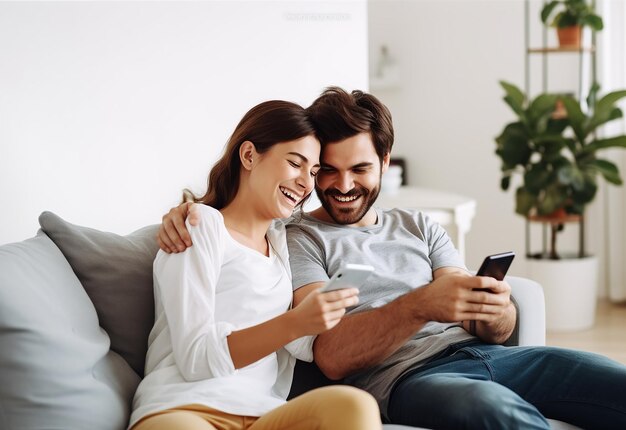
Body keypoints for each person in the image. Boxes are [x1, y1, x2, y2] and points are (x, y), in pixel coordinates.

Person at [157, 88, 626, 430]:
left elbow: (496, 330)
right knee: (491, 411)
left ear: (386, 162)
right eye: (327, 171)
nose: (341, 186)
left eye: (359, 169)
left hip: (485, 354)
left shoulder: (420, 226)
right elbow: (331, 353)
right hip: (407, 378)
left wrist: (496, 307)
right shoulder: (297, 238)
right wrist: (422, 303)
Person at [130, 99, 382, 430]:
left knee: (354, 406)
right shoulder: (200, 226)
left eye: (314, 172)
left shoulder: (283, 244)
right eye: (295, 163)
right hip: (184, 408)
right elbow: (195, 358)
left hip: (263, 414)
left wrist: (327, 312)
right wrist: (296, 322)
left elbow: (301, 347)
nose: (307, 184)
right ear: (249, 155)